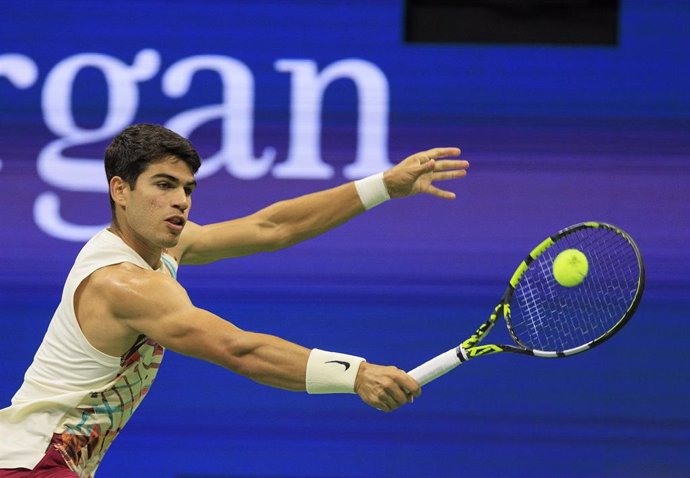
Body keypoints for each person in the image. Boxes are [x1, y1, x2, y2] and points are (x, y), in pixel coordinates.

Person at [0, 124, 469, 477]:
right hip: (30, 465)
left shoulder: (161, 249)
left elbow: (272, 228)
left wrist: (383, 185)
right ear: (120, 190)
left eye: (187, 189)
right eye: (164, 185)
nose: (181, 201)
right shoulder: (124, 283)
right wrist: (357, 374)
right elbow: (238, 349)